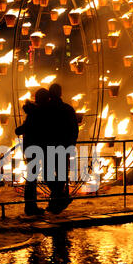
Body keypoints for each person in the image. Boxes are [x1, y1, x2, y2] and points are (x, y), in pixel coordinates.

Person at [15, 88, 50, 216]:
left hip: (31, 147)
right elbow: (24, 129)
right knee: (32, 178)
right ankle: (30, 206)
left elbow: (23, 129)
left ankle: (31, 205)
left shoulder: (33, 112)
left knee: (32, 178)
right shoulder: (38, 113)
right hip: (36, 148)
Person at [45, 83, 79, 213]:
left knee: (48, 173)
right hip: (64, 146)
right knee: (61, 174)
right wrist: (72, 143)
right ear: (60, 93)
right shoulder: (67, 109)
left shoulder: (45, 109)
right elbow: (74, 128)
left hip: (49, 146)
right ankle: (60, 197)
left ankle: (57, 198)